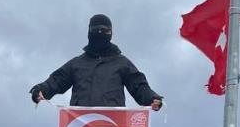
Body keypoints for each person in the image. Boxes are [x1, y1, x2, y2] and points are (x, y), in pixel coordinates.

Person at [29, 14, 164, 109]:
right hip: (80, 125)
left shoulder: (122, 63)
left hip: (112, 126)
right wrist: (41, 90)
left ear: (110, 34)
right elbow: (57, 80)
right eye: (96, 29)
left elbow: (139, 86)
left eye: (104, 30)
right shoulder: (77, 64)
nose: (100, 32)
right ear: (89, 32)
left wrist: (152, 98)